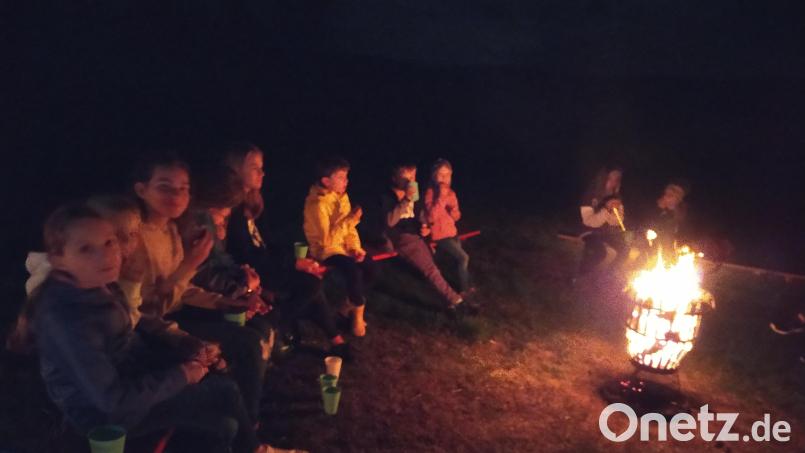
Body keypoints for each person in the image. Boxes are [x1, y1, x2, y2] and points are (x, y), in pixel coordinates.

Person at [21, 202, 293, 453]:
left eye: (109, 242)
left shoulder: (100, 286)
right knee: (223, 403)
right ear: (58, 259)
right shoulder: (68, 318)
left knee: (221, 394)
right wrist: (182, 374)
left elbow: (129, 340)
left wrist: (186, 350)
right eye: (85, 249)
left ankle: (250, 445)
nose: (105, 255)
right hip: (101, 419)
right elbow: (112, 401)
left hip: (130, 386)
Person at [126, 153, 268, 424]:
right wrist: (190, 264)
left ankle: (241, 420)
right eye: (165, 186)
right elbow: (149, 310)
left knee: (249, 334)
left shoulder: (170, 229)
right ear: (141, 190)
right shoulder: (134, 239)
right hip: (148, 331)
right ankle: (245, 425)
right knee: (246, 344)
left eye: (184, 188)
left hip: (172, 316)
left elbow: (186, 288)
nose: (177, 195)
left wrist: (226, 303)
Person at [223, 142, 350, 357]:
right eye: (255, 168)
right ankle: (277, 324)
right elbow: (246, 254)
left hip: (265, 262)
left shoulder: (252, 203)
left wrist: (298, 260)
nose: (262, 173)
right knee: (310, 284)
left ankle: (334, 338)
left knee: (312, 280)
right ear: (236, 170)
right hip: (248, 270)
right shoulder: (230, 210)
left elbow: (267, 242)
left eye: (262, 167)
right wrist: (293, 263)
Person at [379, 163, 477, 317]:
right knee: (431, 271)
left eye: (412, 177)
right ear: (394, 178)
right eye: (405, 177)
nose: (409, 180)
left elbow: (419, 213)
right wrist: (406, 199)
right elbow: (390, 222)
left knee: (433, 268)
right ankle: (457, 302)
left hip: (417, 235)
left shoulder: (413, 191)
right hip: (404, 237)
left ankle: (450, 302)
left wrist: (425, 226)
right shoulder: (388, 196)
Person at [303, 156, 373, 337]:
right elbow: (326, 240)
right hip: (324, 250)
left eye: (346, 176)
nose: (346, 181)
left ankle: (348, 306)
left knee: (369, 265)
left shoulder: (342, 197)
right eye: (341, 177)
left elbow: (349, 231)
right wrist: (350, 219)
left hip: (342, 247)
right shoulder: (316, 204)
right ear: (326, 181)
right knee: (353, 270)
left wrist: (355, 248)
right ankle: (357, 314)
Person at [422, 158, 472, 295]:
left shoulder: (451, 193)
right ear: (434, 176)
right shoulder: (431, 193)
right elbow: (432, 215)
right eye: (441, 175)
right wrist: (441, 197)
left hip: (451, 232)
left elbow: (456, 216)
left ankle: (463, 283)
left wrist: (454, 211)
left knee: (457, 261)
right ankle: (464, 290)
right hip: (440, 235)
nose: (444, 178)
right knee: (463, 258)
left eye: (447, 175)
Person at [577, 166, 628, 277]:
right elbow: (588, 221)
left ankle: (606, 278)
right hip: (588, 232)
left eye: (616, 180)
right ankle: (582, 276)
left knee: (624, 250)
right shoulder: (591, 194)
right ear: (603, 179)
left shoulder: (617, 198)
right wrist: (606, 209)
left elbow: (617, 222)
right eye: (610, 179)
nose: (613, 183)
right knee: (600, 252)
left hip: (606, 233)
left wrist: (614, 214)